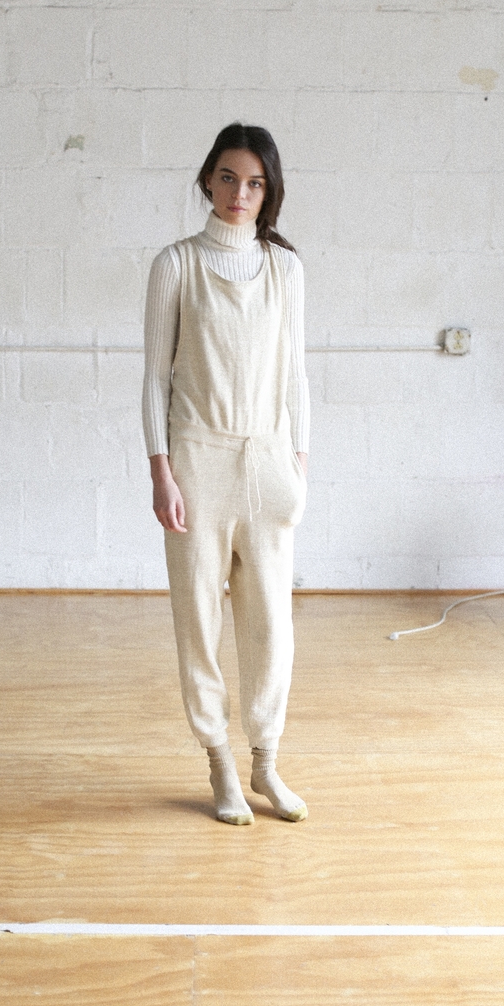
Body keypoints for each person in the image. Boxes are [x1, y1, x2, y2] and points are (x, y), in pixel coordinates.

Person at [142, 123, 310, 825]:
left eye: (255, 183)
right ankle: (219, 761)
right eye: (229, 177)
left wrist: (299, 464)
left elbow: (297, 374)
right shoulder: (176, 265)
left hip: (269, 461)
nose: (241, 193)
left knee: (271, 623)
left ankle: (265, 760)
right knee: (199, 619)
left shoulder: (285, 268)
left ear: (269, 192)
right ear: (208, 179)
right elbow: (155, 378)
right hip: (197, 461)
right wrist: (161, 471)